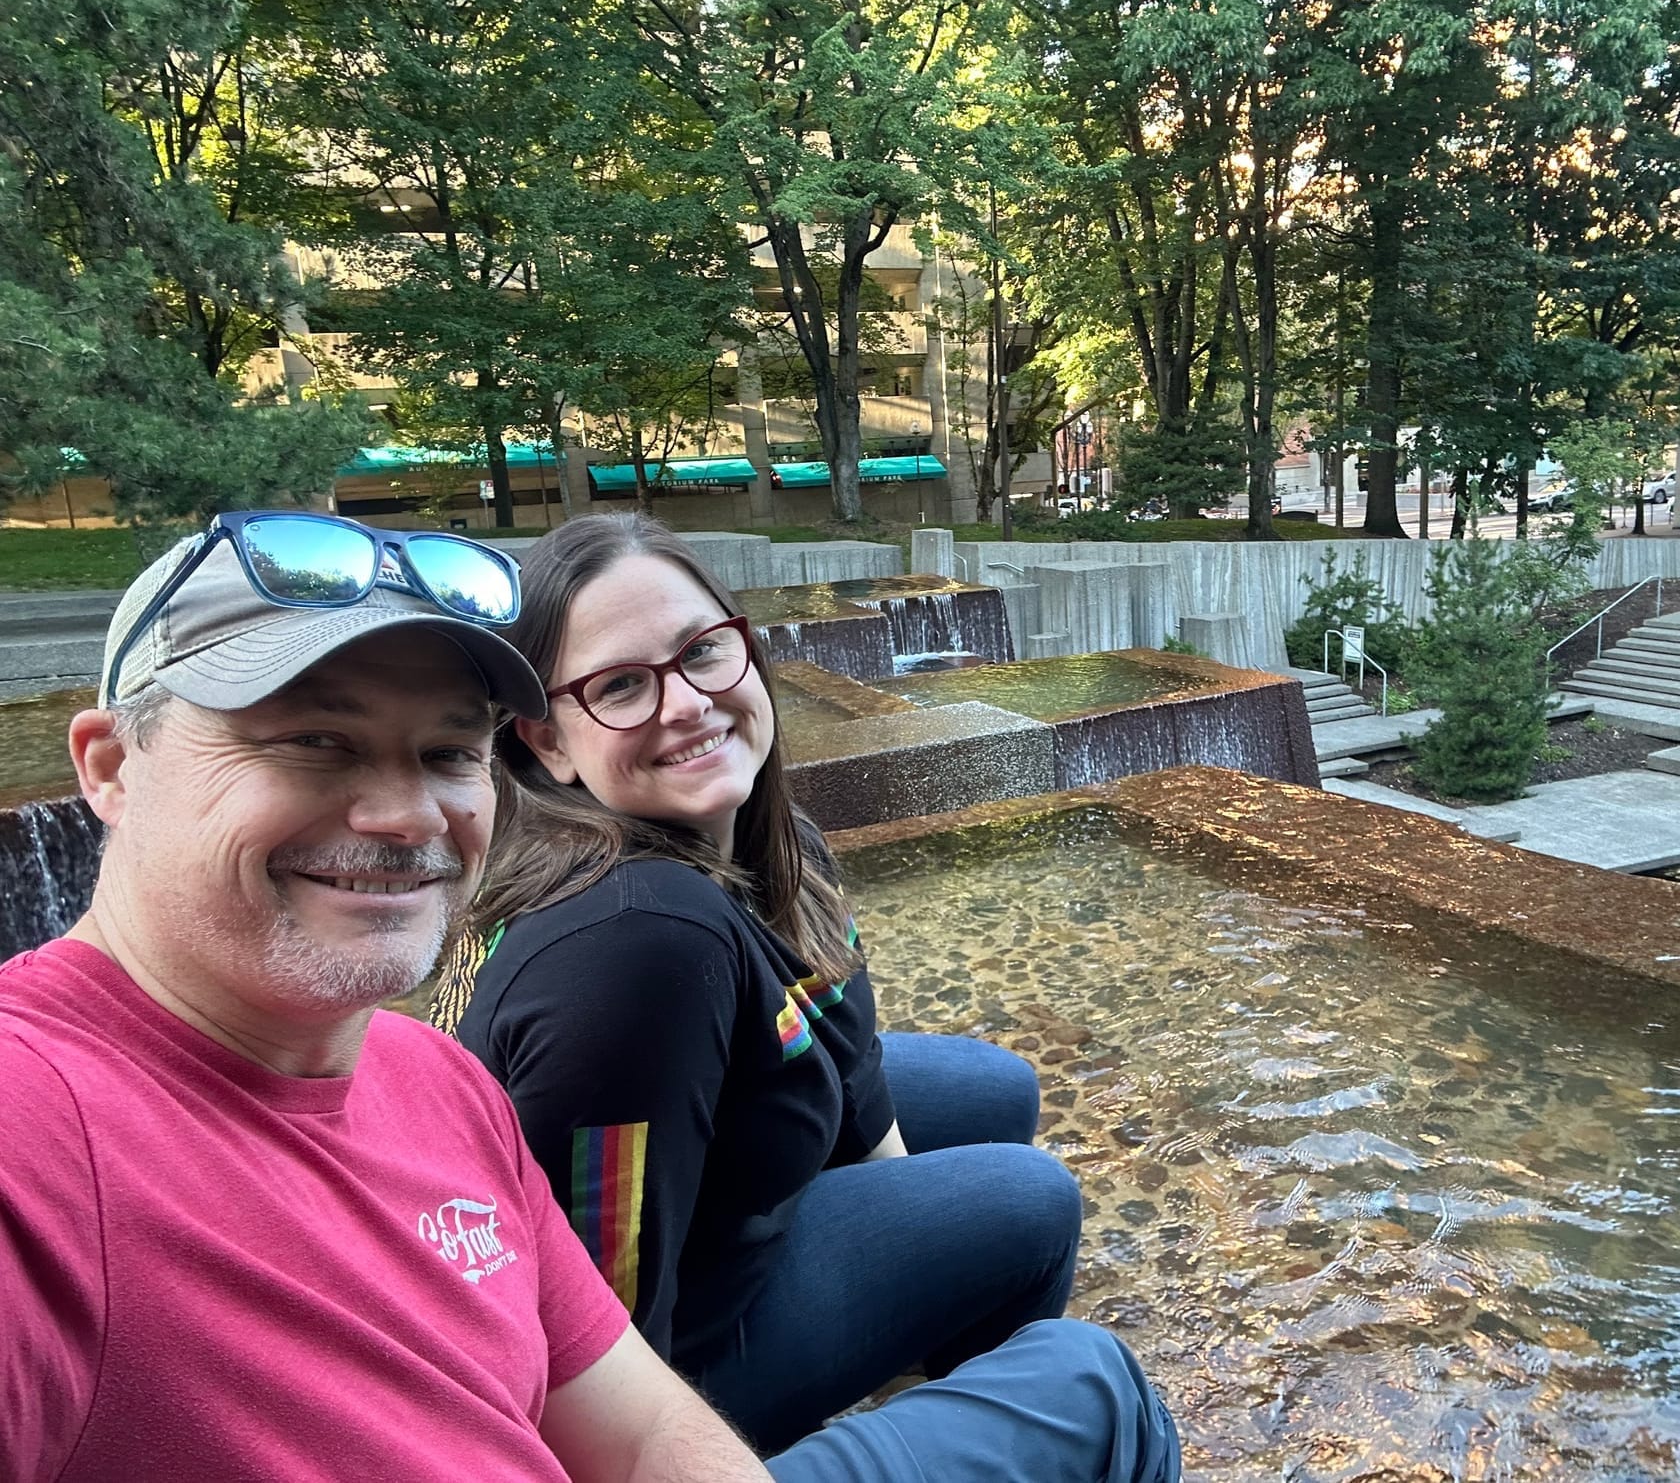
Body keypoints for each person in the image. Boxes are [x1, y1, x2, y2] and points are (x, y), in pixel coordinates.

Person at [0, 511, 1180, 1483]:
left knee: (990, 1093)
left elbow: (622, 1406)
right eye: (314, 743)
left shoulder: (429, 1077)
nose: (404, 816)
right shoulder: (40, 1128)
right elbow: (635, 1303)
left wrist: (883, 1186)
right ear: (108, 767)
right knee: (1073, 1341)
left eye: (445, 753)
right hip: (700, 1322)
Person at [443, 510, 1090, 1451]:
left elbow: (849, 1043)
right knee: (1028, 1199)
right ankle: (1012, 1436)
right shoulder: (638, 947)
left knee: (998, 1090)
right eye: (621, 685)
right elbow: (595, 1317)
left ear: (744, 649)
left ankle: (938, 1355)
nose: (685, 704)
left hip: (706, 1178)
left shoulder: (765, 837)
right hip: (662, 1351)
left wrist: (911, 1212)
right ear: (547, 742)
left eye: (702, 652)